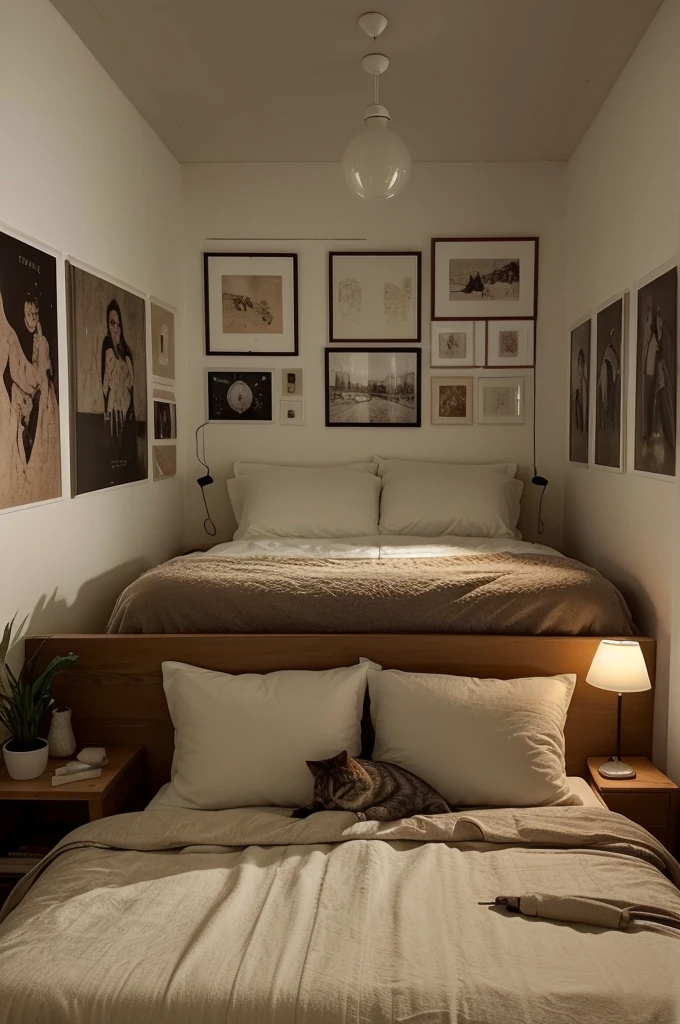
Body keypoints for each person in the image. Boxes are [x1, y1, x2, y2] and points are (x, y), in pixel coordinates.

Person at [0, 288, 39, 509]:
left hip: (13, 403)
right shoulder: (10, 334)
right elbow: (18, 370)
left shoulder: (10, 333)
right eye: (29, 314)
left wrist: (37, 385)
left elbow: (27, 369)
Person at [101, 299, 135, 441]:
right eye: (112, 323)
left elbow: (130, 383)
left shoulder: (126, 353)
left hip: (125, 409)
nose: (115, 328)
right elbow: (105, 378)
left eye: (118, 324)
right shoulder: (107, 345)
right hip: (111, 407)